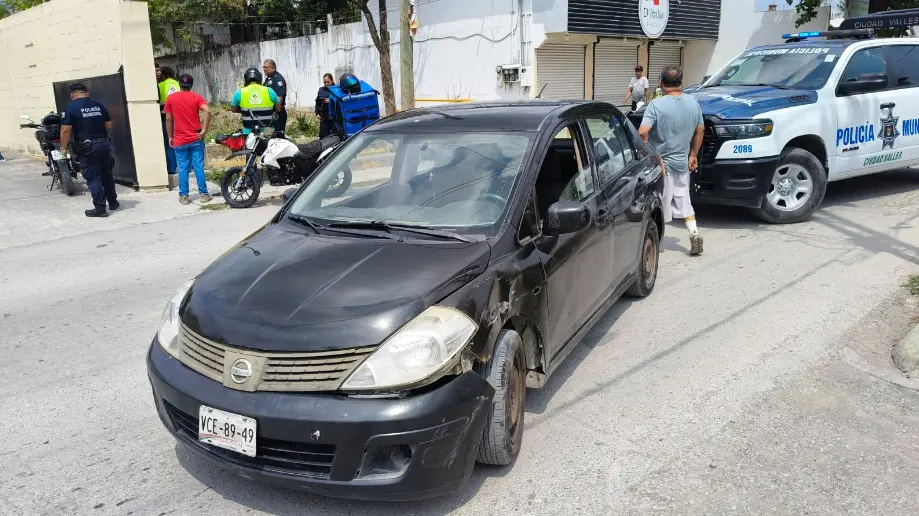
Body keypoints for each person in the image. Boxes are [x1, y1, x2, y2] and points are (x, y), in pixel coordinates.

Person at [638, 65, 705, 256]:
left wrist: (654, 155)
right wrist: (693, 154)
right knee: (685, 200)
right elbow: (700, 129)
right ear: (681, 83)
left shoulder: (656, 105)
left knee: (657, 204)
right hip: (682, 163)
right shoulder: (693, 102)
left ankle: (655, 244)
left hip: (661, 166)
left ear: (661, 83)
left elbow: (642, 132)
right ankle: (694, 233)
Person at [60, 82, 118, 218]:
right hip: (104, 144)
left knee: (93, 177)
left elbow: (65, 130)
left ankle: (100, 209)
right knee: (107, 175)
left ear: (72, 95)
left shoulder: (70, 109)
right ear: (87, 93)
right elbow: (108, 124)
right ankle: (113, 202)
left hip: (88, 147)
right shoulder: (99, 106)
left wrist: (63, 149)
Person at [165, 74, 212, 205]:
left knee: (183, 168)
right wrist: (204, 130)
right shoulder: (196, 97)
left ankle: (184, 196)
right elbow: (207, 111)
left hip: (180, 139)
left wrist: (170, 136)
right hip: (196, 138)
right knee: (198, 166)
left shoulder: (171, 98)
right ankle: (204, 194)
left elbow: (168, 119)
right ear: (191, 85)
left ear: (179, 84)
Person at [231, 67, 280, 134]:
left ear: (246, 80)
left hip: (249, 132)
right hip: (268, 132)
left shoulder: (239, 92)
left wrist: (243, 110)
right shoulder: (269, 91)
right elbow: (278, 109)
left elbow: (233, 110)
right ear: (259, 78)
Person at [158, 66, 180, 176]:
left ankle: (171, 168)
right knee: (181, 139)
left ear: (163, 75)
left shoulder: (160, 85)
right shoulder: (177, 84)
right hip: (179, 114)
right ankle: (187, 166)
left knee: (169, 140)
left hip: (165, 115)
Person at [262, 59, 288, 136]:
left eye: (266, 67)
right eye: (263, 67)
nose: (264, 69)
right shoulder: (269, 79)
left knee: (277, 137)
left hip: (276, 113)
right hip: (269, 112)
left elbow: (279, 98)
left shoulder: (278, 80)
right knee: (267, 136)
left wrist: (275, 111)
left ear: (273, 68)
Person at [315, 73, 335, 138]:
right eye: (324, 82)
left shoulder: (337, 89)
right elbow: (317, 102)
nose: (326, 84)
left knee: (335, 137)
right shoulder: (321, 90)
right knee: (323, 136)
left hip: (335, 118)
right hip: (324, 117)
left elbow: (341, 101)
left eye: (328, 82)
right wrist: (317, 113)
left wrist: (330, 101)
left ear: (332, 80)